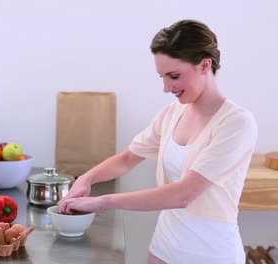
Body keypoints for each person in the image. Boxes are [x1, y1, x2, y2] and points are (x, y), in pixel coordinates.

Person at [57, 19, 258, 264]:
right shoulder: (170, 114)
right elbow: (127, 159)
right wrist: (86, 179)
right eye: (162, 77)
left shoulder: (236, 123)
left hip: (211, 253)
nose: (166, 87)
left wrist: (103, 201)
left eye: (173, 76)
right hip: (164, 247)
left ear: (205, 65)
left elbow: (184, 194)